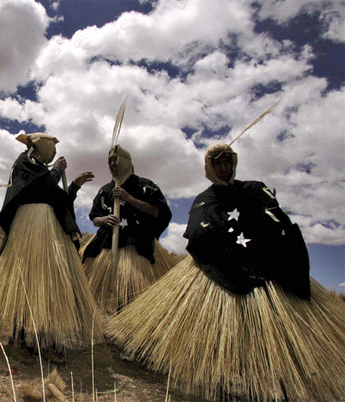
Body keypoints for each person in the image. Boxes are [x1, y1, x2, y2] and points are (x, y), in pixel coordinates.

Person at [108, 143, 345, 401]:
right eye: (218, 164)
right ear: (209, 168)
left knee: (272, 330)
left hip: (265, 267)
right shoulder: (203, 201)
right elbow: (198, 233)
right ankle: (212, 371)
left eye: (227, 162)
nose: (224, 168)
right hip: (218, 269)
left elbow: (275, 220)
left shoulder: (253, 189)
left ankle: (284, 380)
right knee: (218, 328)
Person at [0, 133, 103, 364]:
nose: (55, 156)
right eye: (53, 151)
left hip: (49, 229)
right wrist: (57, 170)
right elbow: (36, 188)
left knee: (48, 285)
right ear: (44, 147)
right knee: (27, 282)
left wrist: (75, 186)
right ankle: (18, 341)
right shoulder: (25, 163)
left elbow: (56, 199)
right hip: (30, 226)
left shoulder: (41, 169)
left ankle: (45, 342)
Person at [82, 145, 173, 313]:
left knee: (138, 297)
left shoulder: (145, 186)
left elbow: (159, 212)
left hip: (138, 249)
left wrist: (129, 198)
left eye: (116, 160)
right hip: (107, 248)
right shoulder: (104, 191)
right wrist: (104, 219)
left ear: (127, 161)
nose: (113, 164)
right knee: (104, 294)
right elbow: (94, 217)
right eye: (109, 161)